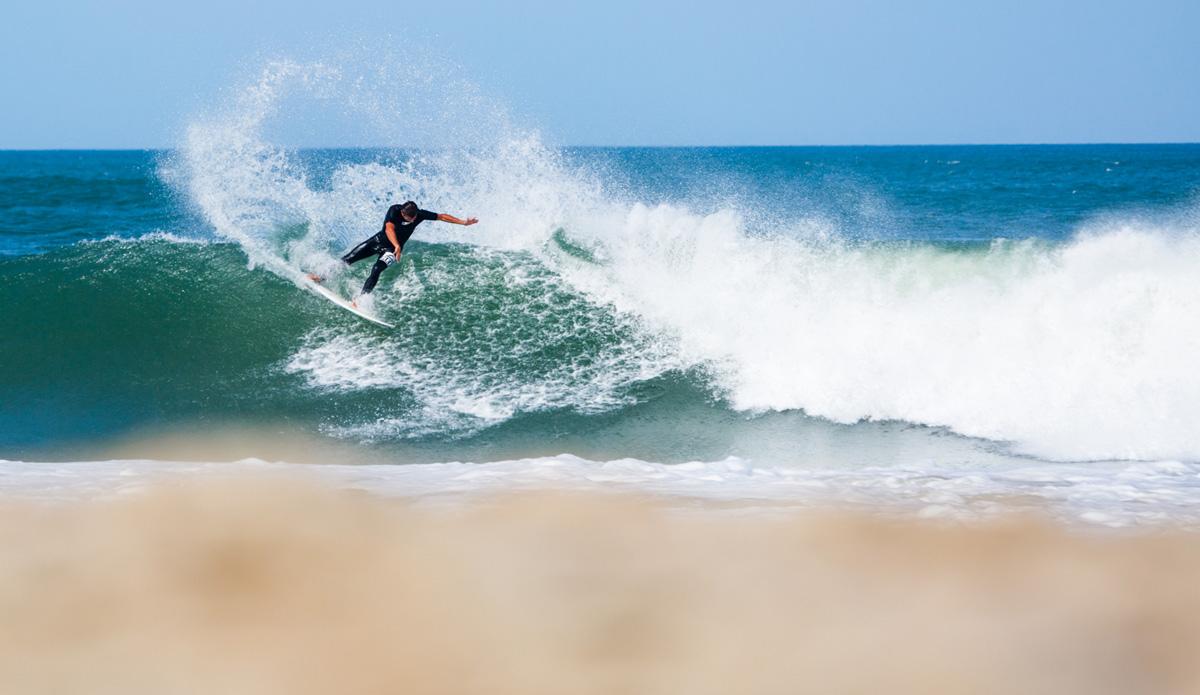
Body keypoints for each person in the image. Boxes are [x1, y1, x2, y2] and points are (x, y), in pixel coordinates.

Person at [309, 200, 478, 303]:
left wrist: (463, 222)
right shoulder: (394, 210)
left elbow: (441, 216)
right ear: (403, 212)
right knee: (347, 259)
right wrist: (398, 245)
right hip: (376, 242)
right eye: (408, 218)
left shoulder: (419, 214)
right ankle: (320, 278)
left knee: (376, 269)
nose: (412, 221)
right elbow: (389, 229)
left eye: (413, 218)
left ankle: (360, 300)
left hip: (390, 250)